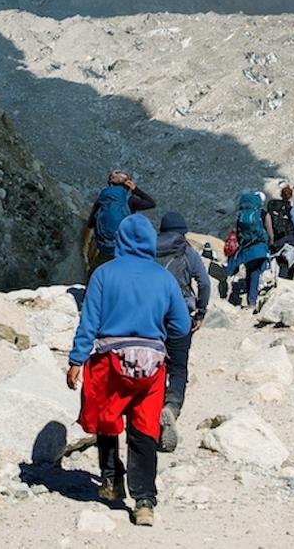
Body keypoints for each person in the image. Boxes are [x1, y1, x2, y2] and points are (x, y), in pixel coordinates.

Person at [67, 213, 190, 527]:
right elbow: (181, 325)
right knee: (144, 430)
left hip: (110, 361)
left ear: (120, 240)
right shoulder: (163, 277)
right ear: (150, 242)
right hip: (151, 365)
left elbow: (89, 321)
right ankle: (145, 501)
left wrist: (76, 360)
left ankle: (111, 481)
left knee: (106, 421)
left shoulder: (104, 274)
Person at [155, 212, 210, 453]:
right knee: (178, 368)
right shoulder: (187, 251)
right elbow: (205, 282)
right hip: (180, 317)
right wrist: (201, 312)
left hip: (152, 318)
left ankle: (150, 409)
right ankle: (171, 407)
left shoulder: (149, 249)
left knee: (154, 366)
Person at [86, 170, 156, 275]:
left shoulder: (102, 199)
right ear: (128, 184)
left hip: (105, 249)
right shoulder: (130, 200)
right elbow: (151, 203)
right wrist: (136, 190)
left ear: (110, 183)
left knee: (93, 275)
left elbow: (90, 224)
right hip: (124, 248)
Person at [226, 191, 270, 309]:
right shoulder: (262, 213)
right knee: (255, 271)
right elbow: (270, 232)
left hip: (246, 247)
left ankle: (250, 299)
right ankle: (252, 301)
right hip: (259, 246)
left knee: (249, 271)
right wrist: (269, 243)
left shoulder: (241, 214)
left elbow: (236, 231)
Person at [264, 185, 294, 281]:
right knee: (287, 263)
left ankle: (278, 282)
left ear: (281, 195)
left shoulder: (273, 206)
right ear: (291, 196)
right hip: (288, 240)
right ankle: (285, 283)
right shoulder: (292, 210)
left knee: (280, 261)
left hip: (275, 239)